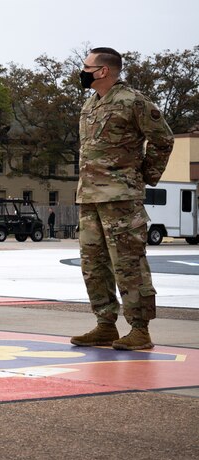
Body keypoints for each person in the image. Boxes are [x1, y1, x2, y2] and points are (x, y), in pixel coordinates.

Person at [69, 47, 174, 351]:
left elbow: (163, 138)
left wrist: (144, 175)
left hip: (121, 198)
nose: (82, 71)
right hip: (89, 197)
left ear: (103, 71)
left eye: (87, 66)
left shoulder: (133, 102)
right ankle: (105, 324)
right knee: (93, 263)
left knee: (128, 264)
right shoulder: (90, 104)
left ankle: (140, 330)